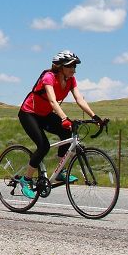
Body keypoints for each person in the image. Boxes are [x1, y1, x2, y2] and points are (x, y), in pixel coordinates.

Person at [17, 50, 100, 198]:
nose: (74, 70)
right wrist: (64, 118)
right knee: (43, 146)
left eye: (75, 67)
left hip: (45, 115)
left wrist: (95, 116)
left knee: (67, 132)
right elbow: (52, 101)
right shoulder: (49, 77)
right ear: (60, 67)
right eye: (70, 67)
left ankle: (60, 172)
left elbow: (79, 99)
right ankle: (26, 180)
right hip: (29, 114)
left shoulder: (71, 80)